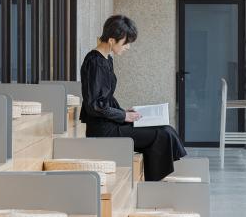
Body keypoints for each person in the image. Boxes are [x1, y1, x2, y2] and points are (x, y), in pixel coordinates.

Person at [80, 14, 187, 181]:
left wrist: (124, 112)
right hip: (103, 130)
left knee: (166, 128)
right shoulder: (96, 62)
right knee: (162, 134)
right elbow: (94, 105)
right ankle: (153, 181)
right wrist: (124, 116)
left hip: (110, 123)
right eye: (126, 42)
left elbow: (105, 99)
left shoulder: (106, 59)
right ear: (111, 40)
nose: (128, 47)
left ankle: (154, 179)